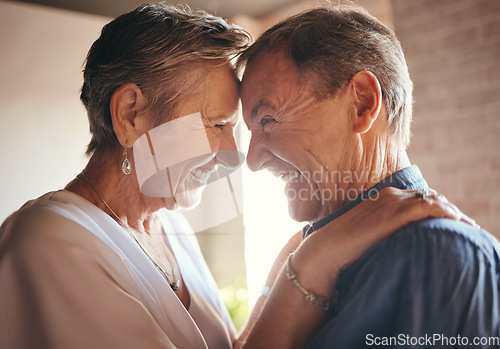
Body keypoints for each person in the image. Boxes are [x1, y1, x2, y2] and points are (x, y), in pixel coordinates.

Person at [0, 3, 478, 349]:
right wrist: (310, 263)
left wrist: (293, 255)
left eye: (247, 125)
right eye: (217, 124)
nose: (236, 156)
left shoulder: (173, 230)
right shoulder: (47, 243)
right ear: (131, 115)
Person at [238, 5, 500, 348]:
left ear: (362, 103)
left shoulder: (430, 255)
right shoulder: (304, 253)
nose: (253, 161)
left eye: (268, 120)